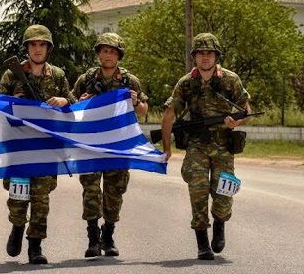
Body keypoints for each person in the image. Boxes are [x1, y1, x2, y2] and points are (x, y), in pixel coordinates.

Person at [160, 33, 252, 260]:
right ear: (194, 57)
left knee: (223, 193)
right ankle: (202, 241)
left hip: (223, 144)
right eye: (200, 53)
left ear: (216, 56)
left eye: (209, 53)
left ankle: (220, 223)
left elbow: (246, 110)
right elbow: (169, 115)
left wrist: (236, 121)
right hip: (197, 146)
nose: (205, 57)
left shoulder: (230, 80)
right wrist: (166, 148)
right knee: (198, 191)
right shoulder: (186, 83)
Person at [0, 24, 77, 264]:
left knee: (41, 201)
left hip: (46, 149)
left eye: (42, 45)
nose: (38, 49)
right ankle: (18, 227)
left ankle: (35, 246)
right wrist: (11, 102)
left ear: (48, 48)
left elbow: (73, 106)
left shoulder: (58, 75)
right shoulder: (12, 74)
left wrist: (64, 100)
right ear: (27, 47)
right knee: (19, 198)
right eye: (33, 44)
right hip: (19, 147)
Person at [72, 32, 148, 258]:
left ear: (119, 55)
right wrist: (80, 103)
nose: (108, 55)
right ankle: (93, 237)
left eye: (113, 51)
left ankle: (109, 236)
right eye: (104, 50)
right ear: (98, 53)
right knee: (91, 192)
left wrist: (135, 102)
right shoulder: (86, 79)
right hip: (91, 144)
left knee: (115, 192)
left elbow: (143, 110)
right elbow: (70, 107)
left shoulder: (129, 80)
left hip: (118, 144)